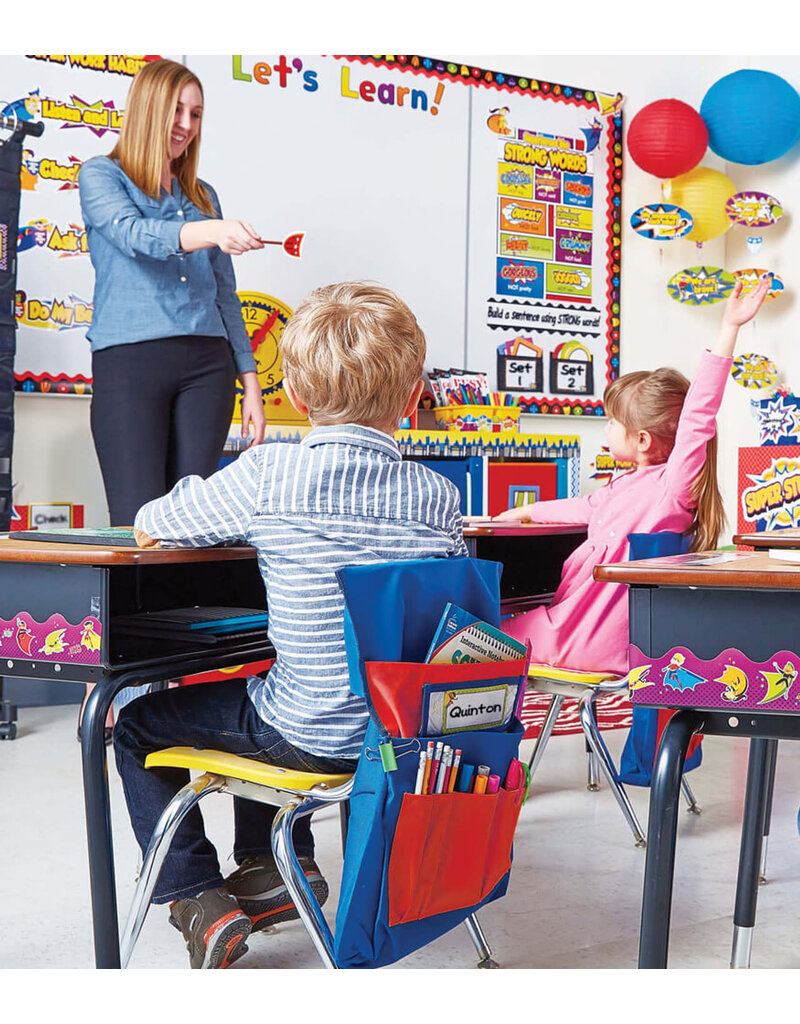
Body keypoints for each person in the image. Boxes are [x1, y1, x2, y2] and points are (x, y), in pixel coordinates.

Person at [114, 281, 468, 969]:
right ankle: (278, 872)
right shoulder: (437, 496)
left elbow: (153, 522)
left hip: (305, 735)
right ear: (412, 397)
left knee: (132, 724)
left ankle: (195, 894)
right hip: (396, 739)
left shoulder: (269, 473)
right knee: (269, 684)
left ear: (298, 400)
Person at [77, 59, 266, 737]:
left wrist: (250, 382)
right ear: (149, 109)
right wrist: (210, 231)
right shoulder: (101, 177)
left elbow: (224, 295)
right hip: (130, 363)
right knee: (138, 526)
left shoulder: (203, 193)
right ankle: (134, 692)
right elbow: (135, 239)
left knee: (195, 522)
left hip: (207, 367)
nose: (186, 127)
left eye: (197, 114)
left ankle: (185, 687)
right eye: (178, 112)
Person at [494, 275, 772, 674]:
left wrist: (729, 329)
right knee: (494, 625)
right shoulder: (622, 487)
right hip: (581, 630)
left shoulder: (670, 491)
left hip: (585, 639)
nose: (605, 429)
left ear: (642, 439)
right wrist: (524, 512)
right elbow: (582, 506)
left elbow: (697, 419)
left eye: (611, 422)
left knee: (478, 630)